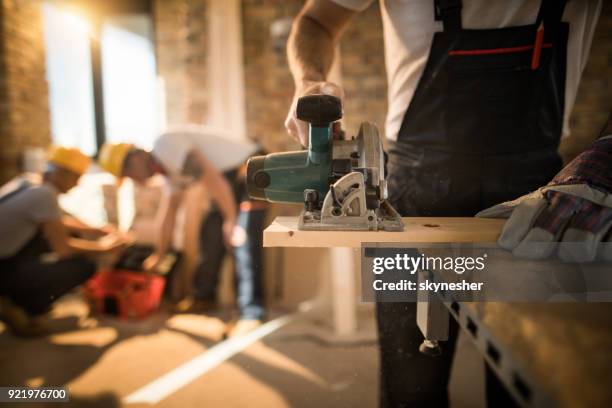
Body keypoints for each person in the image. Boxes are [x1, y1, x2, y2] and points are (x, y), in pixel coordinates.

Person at [285, 0, 604, 406]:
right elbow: (316, 19)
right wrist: (309, 81)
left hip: (538, 193)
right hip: (415, 197)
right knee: (410, 388)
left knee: (525, 377)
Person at [99, 126, 268, 335]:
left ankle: (251, 313)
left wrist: (231, 220)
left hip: (250, 169)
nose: (134, 181)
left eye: (128, 175)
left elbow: (211, 177)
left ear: (134, 160)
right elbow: (168, 213)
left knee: (243, 240)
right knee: (211, 235)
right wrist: (159, 254)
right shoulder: (169, 173)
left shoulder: (165, 145)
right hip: (226, 181)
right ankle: (204, 298)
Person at [0, 146, 127, 336]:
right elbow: (63, 249)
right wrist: (104, 248)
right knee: (84, 265)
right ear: (62, 172)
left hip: (6, 260)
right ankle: (22, 307)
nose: (77, 184)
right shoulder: (45, 195)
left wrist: (96, 229)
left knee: (49, 238)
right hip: (4, 270)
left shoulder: (29, 182)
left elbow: (54, 222)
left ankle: (15, 297)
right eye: (76, 177)